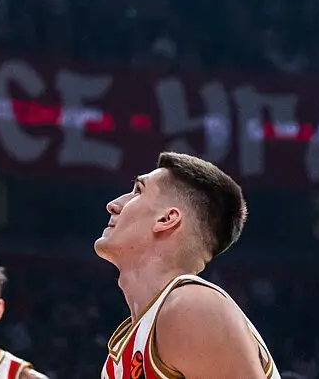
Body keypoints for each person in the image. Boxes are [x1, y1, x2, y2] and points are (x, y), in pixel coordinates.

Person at [95, 152, 280, 379]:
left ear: (166, 219)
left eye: (138, 191)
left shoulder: (191, 306)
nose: (112, 205)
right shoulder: (135, 339)